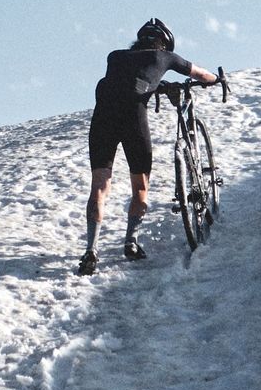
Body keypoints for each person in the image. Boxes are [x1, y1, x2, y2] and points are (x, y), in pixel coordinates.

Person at [77, 18, 219, 274]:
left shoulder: (115, 57)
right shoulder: (165, 57)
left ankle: (91, 249)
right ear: (163, 44)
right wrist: (216, 79)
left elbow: (131, 79)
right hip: (134, 122)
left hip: (103, 121)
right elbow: (200, 74)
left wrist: (158, 85)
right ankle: (131, 241)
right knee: (140, 188)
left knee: (99, 185)